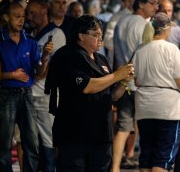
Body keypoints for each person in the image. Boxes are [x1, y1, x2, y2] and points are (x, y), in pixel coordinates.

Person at [44, 14, 134, 172]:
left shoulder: (101, 60)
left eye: (101, 34)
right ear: (81, 36)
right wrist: (116, 76)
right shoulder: (68, 56)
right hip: (74, 135)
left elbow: (112, 95)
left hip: (101, 135)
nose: (100, 39)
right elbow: (86, 86)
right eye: (95, 35)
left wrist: (124, 80)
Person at [0, 1, 53, 172]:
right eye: (17, 16)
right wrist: (11, 75)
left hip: (27, 94)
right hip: (6, 94)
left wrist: (46, 55)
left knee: (32, 142)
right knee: (4, 143)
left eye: (23, 16)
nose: (21, 20)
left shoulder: (30, 41)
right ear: (6, 18)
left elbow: (39, 73)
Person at [133, 13, 180, 172]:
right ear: (167, 29)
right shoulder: (171, 49)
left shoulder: (140, 49)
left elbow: (136, 80)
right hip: (168, 108)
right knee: (163, 156)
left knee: (147, 155)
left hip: (144, 107)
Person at [113, 0, 159, 171]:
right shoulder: (145, 26)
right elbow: (148, 56)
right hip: (141, 84)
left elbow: (115, 53)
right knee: (146, 128)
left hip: (122, 81)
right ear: (140, 3)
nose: (156, 7)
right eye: (152, 3)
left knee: (123, 128)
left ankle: (114, 167)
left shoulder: (120, 22)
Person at [26, 0, 66, 171]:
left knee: (49, 140)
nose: (29, 17)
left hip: (46, 95)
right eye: (28, 13)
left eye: (32, 13)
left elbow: (48, 69)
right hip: (29, 94)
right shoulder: (32, 34)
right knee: (30, 142)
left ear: (44, 12)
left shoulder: (55, 34)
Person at [158, 0, 180, 66]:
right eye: (164, 11)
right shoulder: (151, 30)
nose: (166, 13)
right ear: (158, 11)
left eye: (169, 11)